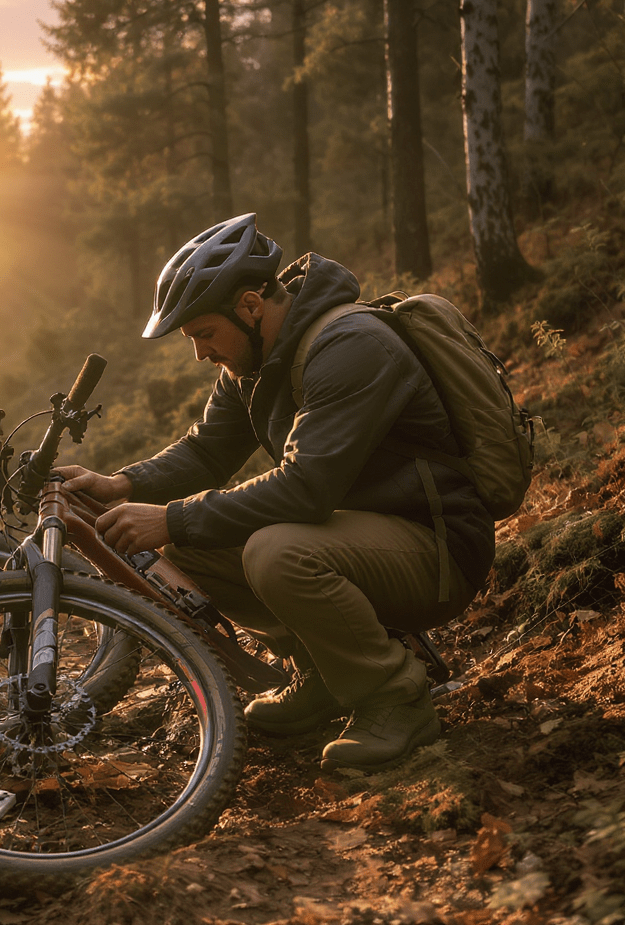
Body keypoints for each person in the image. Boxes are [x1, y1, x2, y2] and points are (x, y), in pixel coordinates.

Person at [58, 212, 495, 772]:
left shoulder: (351, 346)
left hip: (438, 549)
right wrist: (124, 483)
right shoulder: (254, 362)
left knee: (274, 552)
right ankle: (321, 673)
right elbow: (209, 450)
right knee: (196, 550)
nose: (199, 354)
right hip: (359, 537)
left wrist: (172, 515)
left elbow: (306, 488)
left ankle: (395, 698)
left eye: (203, 334)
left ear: (249, 306)